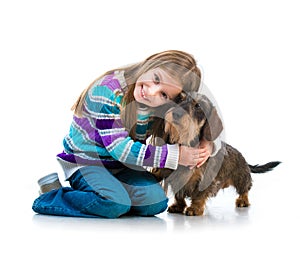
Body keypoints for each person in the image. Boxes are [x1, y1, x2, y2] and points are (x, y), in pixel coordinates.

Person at [32, 50, 214, 218]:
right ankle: (52, 196)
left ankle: (114, 196)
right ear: (150, 63)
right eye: (156, 79)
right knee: (113, 203)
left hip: (123, 166)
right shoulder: (107, 90)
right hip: (86, 162)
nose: (151, 92)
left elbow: (194, 116)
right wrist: (176, 155)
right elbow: (120, 149)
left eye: (164, 95)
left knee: (156, 202)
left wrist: (207, 142)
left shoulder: (159, 107)